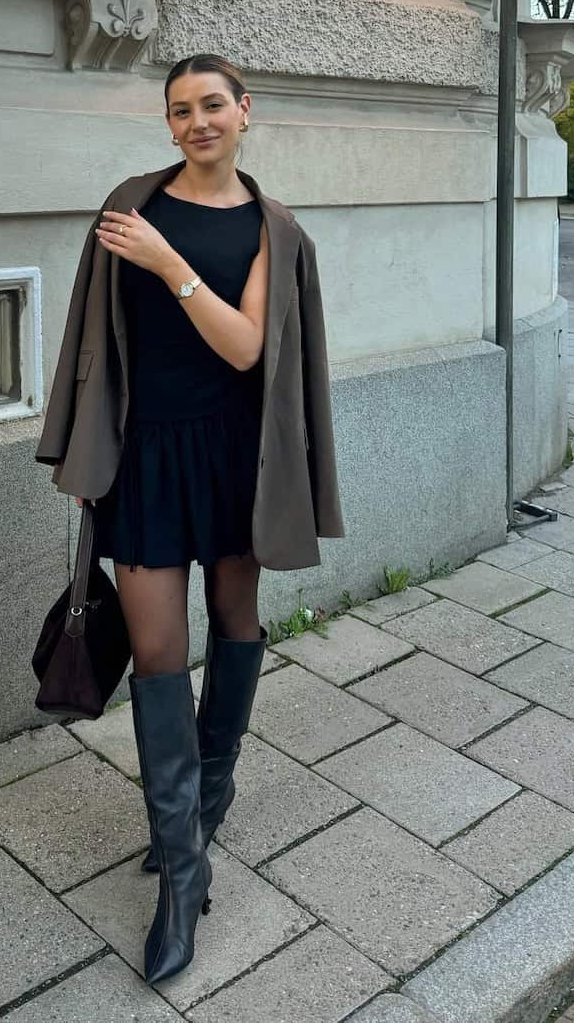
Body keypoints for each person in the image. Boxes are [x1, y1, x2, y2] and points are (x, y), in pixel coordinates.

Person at [36, 53, 344, 984]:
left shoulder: (273, 230)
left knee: (237, 623)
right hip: (143, 458)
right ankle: (181, 869)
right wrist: (86, 451)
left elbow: (247, 348)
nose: (198, 121)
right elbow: (91, 336)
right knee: (159, 653)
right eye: (180, 109)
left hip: (234, 462)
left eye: (214, 104)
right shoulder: (128, 203)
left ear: (246, 112)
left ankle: (207, 801)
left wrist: (170, 265)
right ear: (167, 123)